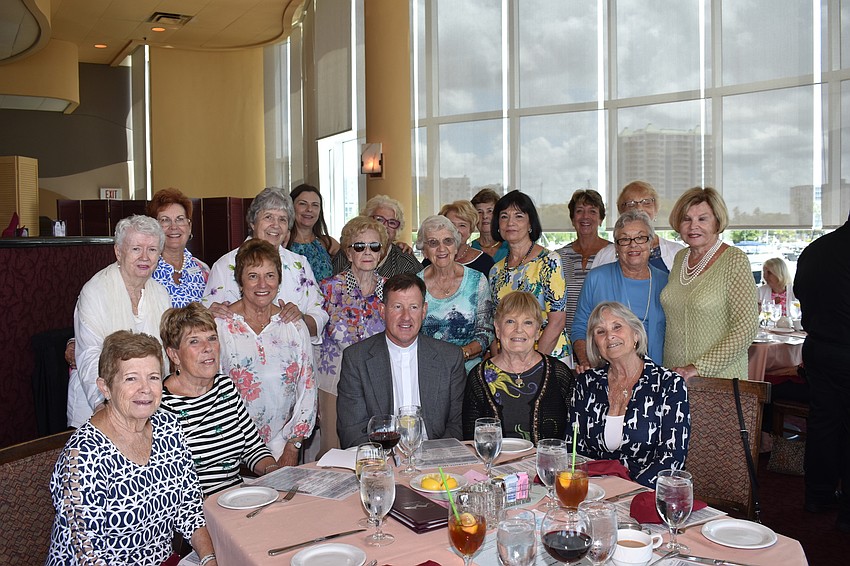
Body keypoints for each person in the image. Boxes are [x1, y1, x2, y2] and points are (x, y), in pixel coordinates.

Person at [46, 331, 216, 566]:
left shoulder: (168, 427)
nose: (145, 389)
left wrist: (209, 559)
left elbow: (190, 510)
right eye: (131, 378)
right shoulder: (82, 457)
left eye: (153, 377)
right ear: (105, 388)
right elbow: (87, 556)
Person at [160, 303, 281, 497]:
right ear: (174, 355)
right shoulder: (161, 406)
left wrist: (274, 472)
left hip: (238, 499)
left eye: (212, 339)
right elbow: (165, 484)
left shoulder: (225, 387)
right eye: (194, 341)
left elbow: (253, 448)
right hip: (194, 514)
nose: (207, 348)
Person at [215, 239, 317, 465]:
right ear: (240, 280)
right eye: (253, 276)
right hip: (231, 448)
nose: (263, 284)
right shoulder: (220, 327)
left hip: (283, 446)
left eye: (270, 275)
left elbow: (307, 389)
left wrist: (293, 446)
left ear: (279, 280)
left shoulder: (293, 325)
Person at [336, 273, 465, 448]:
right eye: (397, 307)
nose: (406, 317)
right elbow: (351, 431)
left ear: (424, 310)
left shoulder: (450, 358)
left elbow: (457, 426)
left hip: (434, 460)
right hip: (381, 462)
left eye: (413, 307)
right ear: (382, 311)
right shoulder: (356, 359)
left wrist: (430, 459)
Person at [68, 215, 171, 428]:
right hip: (97, 404)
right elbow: (89, 355)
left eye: (152, 250)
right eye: (136, 249)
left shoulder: (161, 294)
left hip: (146, 405)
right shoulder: (95, 291)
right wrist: (103, 405)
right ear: (118, 252)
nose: (145, 257)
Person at [571, 302, 689, 488]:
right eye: (600, 332)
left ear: (636, 334)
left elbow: (672, 459)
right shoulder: (587, 383)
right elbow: (573, 446)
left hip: (644, 492)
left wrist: (628, 490)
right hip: (594, 490)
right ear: (595, 344)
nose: (610, 336)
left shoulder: (668, 384)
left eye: (617, 326)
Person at [202, 187, 328, 343]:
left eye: (282, 219)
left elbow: (320, 316)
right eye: (268, 217)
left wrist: (300, 318)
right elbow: (205, 322)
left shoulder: (299, 264)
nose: (275, 225)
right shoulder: (225, 265)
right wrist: (211, 315)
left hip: (293, 355)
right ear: (253, 223)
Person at [660, 187, 758, 380]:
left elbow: (746, 329)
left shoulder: (734, 260)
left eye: (702, 219)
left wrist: (697, 368)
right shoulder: (680, 258)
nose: (692, 226)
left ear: (717, 222)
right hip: (674, 377)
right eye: (686, 219)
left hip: (719, 381)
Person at [315, 216, 388, 457]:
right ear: (348, 253)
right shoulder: (327, 289)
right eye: (359, 246)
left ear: (381, 253)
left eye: (374, 246)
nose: (367, 252)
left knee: (377, 449)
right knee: (334, 451)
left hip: (378, 380)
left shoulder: (390, 291)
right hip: (333, 381)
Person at [793, 216, 850, 531]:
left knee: (824, 423)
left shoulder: (816, 250)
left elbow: (801, 294)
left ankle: (817, 494)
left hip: (819, 349)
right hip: (842, 346)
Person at [463, 291, 575, 443]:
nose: (519, 329)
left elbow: (574, 436)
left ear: (537, 331)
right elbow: (470, 439)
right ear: (497, 328)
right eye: (510, 321)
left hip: (548, 466)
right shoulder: (479, 376)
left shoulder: (559, 374)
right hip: (493, 465)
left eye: (527, 322)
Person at [572, 210, 668, 370]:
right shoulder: (596, 278)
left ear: (651, 243)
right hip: (606, 371)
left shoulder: (666, 281)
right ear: (616, 246)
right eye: (624, 239)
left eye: (640, 237)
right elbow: (580, 327)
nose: (633, 245)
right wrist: (587, 362)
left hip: (657, 375)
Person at [489, 190, 571, 361]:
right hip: (509, 360)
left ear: (530, 223)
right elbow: (495, 323)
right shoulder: (495, 271)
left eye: (519, 216)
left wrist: (532, 363)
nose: (510, 222)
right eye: (504, 216)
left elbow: (557, 321)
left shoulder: (549, 261)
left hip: (549, 357)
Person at [415, 215, 494, 371]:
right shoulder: (416, 285)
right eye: (433, 243)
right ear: (424, 251)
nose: (442, 248)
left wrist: (461, 354)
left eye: (448, 241)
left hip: (469, 366)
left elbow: (486, 332)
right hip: (428, 368)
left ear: (456, 246)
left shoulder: (477, 280)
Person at [593, 181, 684, 273]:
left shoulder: (678, 252)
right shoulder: (604, 255)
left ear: (656, 209)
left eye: (646, 202)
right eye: (631, 203)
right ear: (621, 212)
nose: (639, 208)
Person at [556, 189, 613, 334]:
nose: (585, 216)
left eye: (592, 211)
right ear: (573, 219)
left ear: (601, 219)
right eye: (579, 211)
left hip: (604, 337)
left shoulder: (614, 254)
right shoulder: (558, 257)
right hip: (566, 340)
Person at [332, 194, 423, 278]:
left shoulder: (405, 261)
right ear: (366, 220)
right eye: (379, 219)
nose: (385, 226)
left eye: (392, 222)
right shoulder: (349, 251)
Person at [147, 187, 210, 306]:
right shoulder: (146, 269)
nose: (173, 227)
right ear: (154, 227)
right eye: (165, 220)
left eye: (180, 219)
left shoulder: (203, 270)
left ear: (189, 226)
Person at [287, 183, 340, 283]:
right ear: (291, 207)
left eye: (315, 205)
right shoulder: (282, 244)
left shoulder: (328, 243)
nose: (309, 209)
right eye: (303, 204)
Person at [433, 200, 495, 276]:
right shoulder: (433, 258)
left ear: (471, 230)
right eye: (451, 225)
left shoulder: (485, 262)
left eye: (462, 225)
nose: (456, 230)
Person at [470, 188, 509, 262]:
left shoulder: (510, 247)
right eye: (480, 212)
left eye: (490, 211)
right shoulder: (469, 249)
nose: (485, 216)